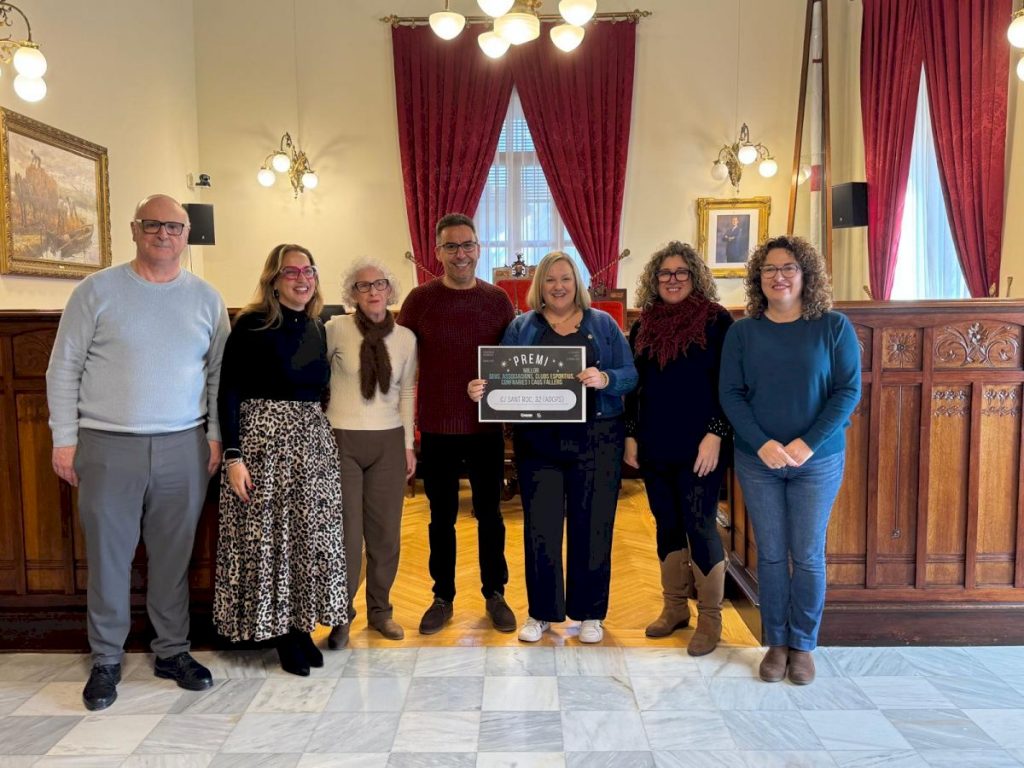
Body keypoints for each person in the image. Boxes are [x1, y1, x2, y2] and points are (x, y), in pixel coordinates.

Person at [46, 194, 229, 711]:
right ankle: (106, 659)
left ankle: (171, 651)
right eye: (152, 225)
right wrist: (64, 439)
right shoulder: (96, 291)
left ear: (186, 235)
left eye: (173, 226)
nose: (163, 234)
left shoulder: (206, 298)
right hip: (107, 445)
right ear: (133, 230)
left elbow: (218, 374)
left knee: (173, 557)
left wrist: (215, 434)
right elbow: (63, 368)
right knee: (109, 559)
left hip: (184, 445)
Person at [470, 251, 638, 644]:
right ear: (539, 286)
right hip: (539, 443)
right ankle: (541, 613)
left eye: (565, 278)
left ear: (576, 283)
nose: (558, 286)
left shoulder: (603, 324)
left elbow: (630, 374)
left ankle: (590, 613)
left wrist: (606, 378)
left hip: (598, 438)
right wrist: (482, 389)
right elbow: (500, 378)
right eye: (549, 279)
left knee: (593, 527)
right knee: (540, 530)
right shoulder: (522, 327)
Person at [719, 235, 860, 685]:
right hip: (757, 460)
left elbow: (847, 391)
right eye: (769, 269)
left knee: (809, 554)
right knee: (772, 554)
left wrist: (808, 443)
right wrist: (761, 442)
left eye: (788, 268)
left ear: (806, 275)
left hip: (816, 462)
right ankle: (776, 643)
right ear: (758, 278)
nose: (778, 277)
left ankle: (803, 645)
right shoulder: (743, 332)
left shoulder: (834, 327)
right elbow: (730, 394)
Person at [214, 244, 348, 676]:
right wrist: (233, 456)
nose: (302, 279)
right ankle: (280, 633)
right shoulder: (250, 324)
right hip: (263, 444)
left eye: (308, 270)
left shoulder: (318, 326)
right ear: (273, 280)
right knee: (272, 539)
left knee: (307, 539)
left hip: (311, 445)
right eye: (291, 272)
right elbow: (229, 391)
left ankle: (300, 626)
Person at [397, 213, 517, 635]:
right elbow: (399, 359)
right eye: (451, 246)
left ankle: (495, 593)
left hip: (485, 429)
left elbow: (512, 362)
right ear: (437, 252)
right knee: (440, 517)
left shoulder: (498, 300)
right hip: (437, 427)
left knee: (490, 516)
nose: (460, 253)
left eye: (467, 245)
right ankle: (442, 596)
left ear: (479, 249)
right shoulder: (419, 300)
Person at [624, 242, 734, 656]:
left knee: (699, 524)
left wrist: (716, 433)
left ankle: (710, 617)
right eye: (665, 273)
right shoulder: (644, 325)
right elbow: (635, 388)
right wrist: (631, 435)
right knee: (666, 524)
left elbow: (730, 384)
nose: (672, 280)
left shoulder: (717, 322)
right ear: (654, 280)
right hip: (655, 442)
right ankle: (674, 608)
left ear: (695, 277)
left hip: (703, 445)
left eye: (681, 272)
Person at [325, 259, 417, 649]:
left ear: (390, 290)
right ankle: (341, 616)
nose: (373, 291)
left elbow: (407, 391)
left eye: (379, 284)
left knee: (385, 536)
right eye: (363, 286)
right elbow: (317, 382)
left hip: (389, 442)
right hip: (342, 440)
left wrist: (408, 445)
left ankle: (381, 611)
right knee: (347, 538)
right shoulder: (335, 329)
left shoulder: (406, 338)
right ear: (352, 294)